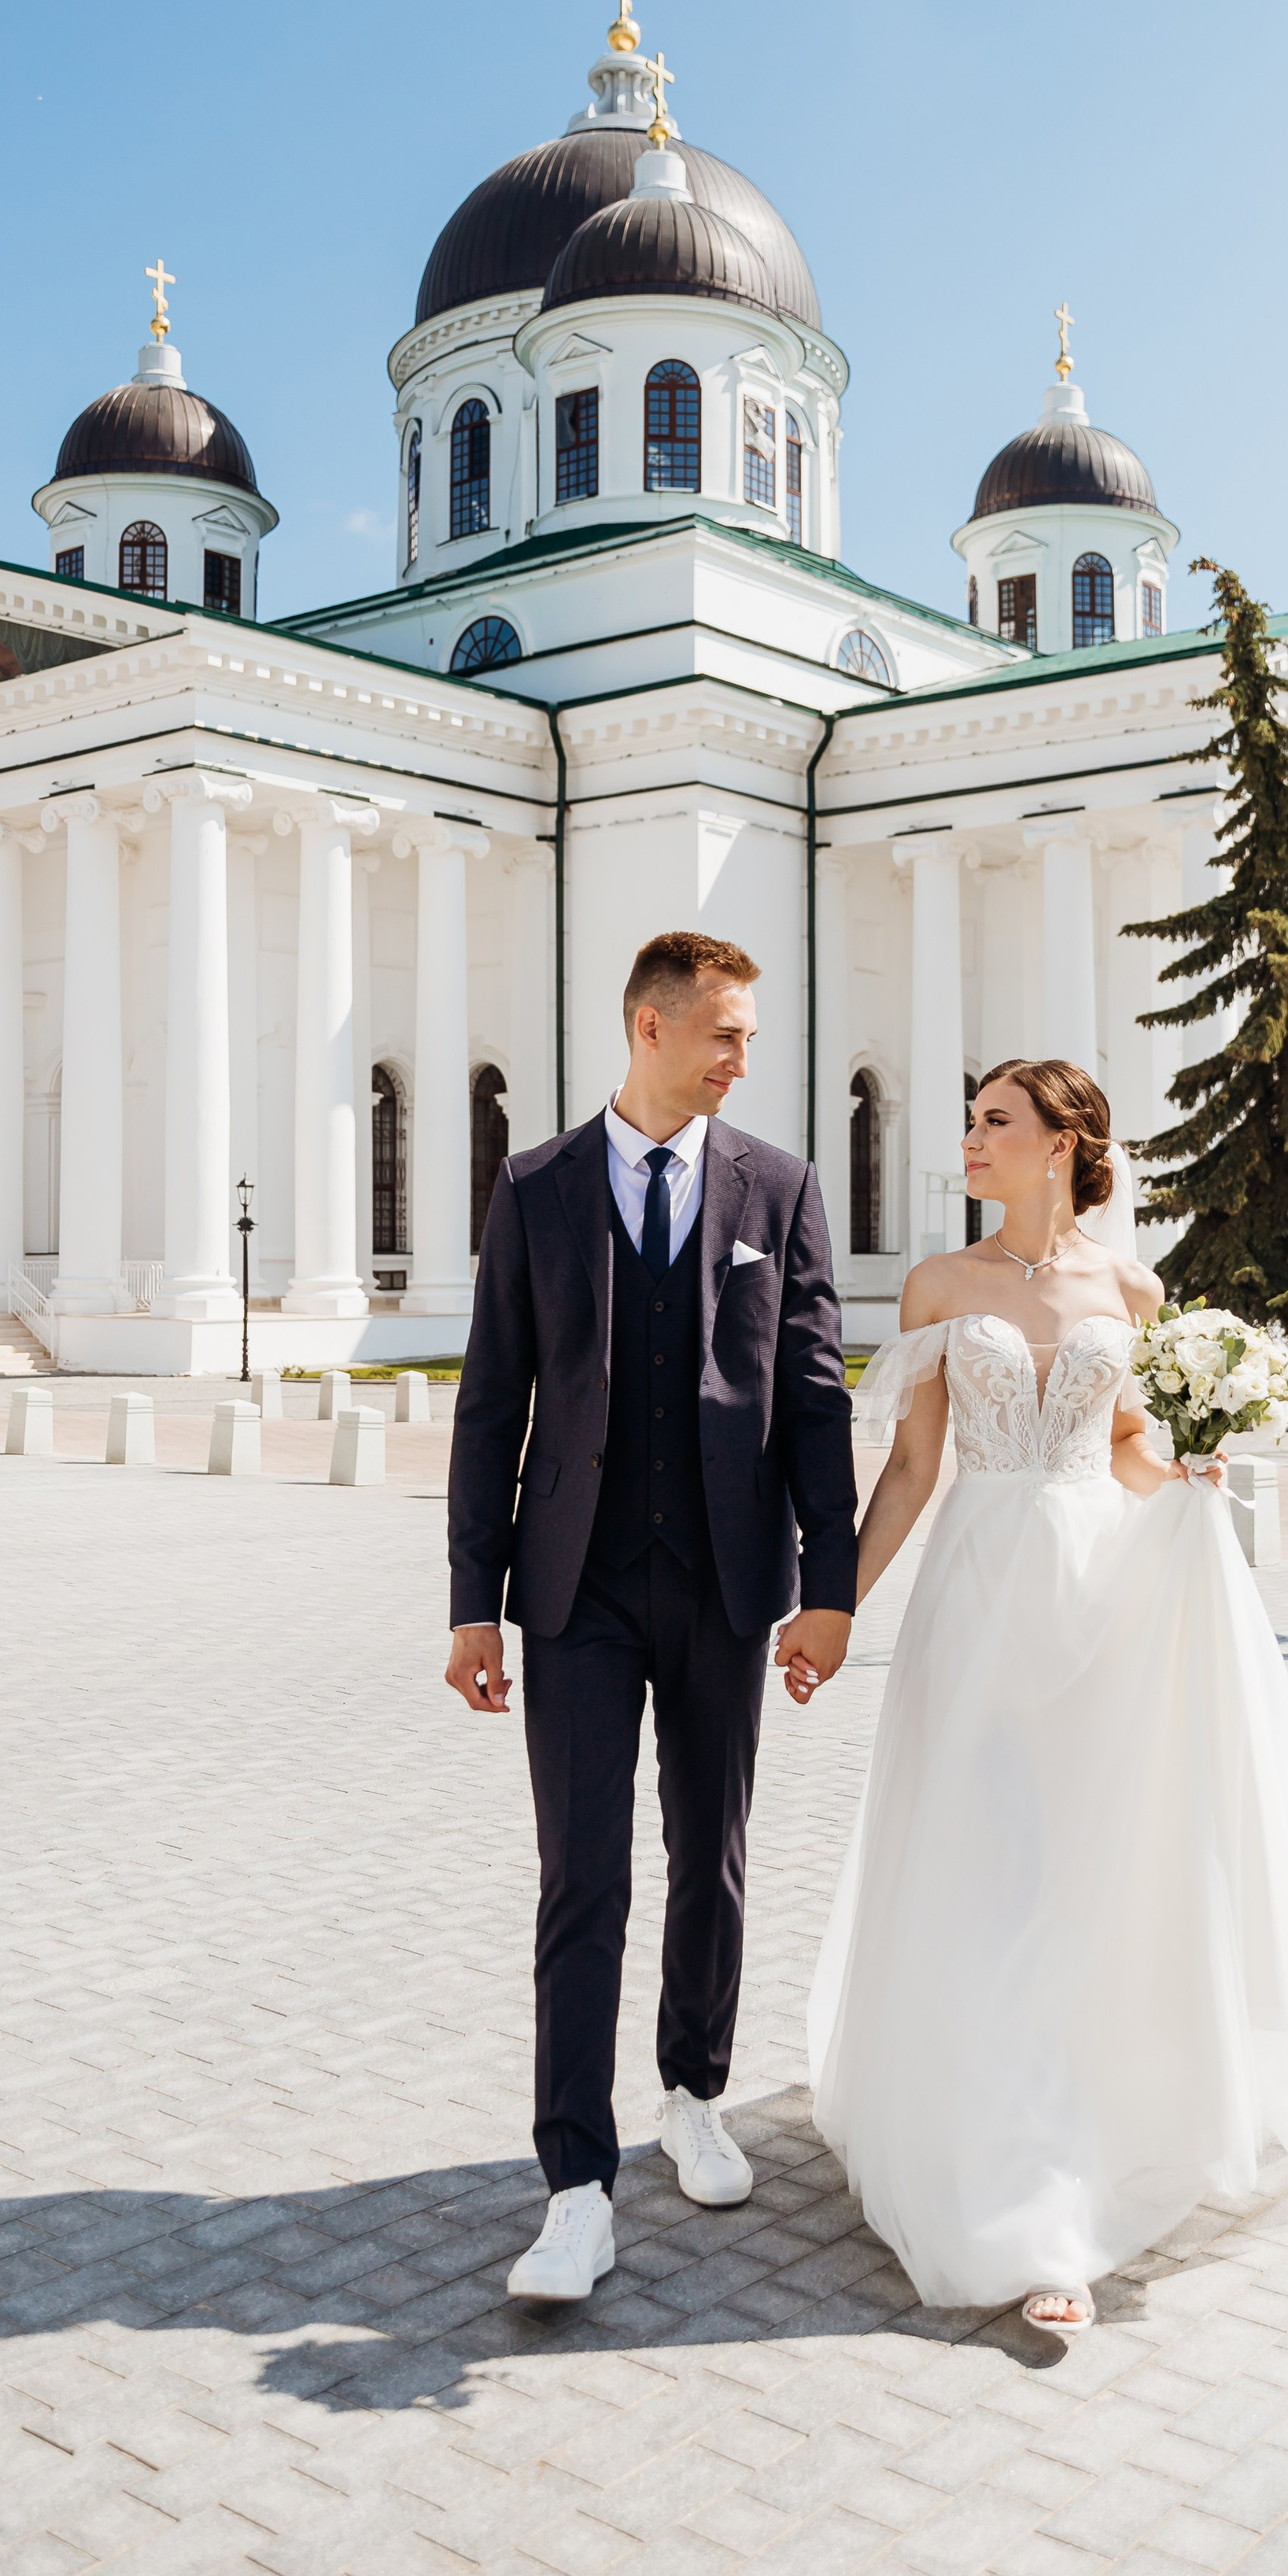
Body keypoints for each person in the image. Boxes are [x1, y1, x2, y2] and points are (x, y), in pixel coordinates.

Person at [810, 1059, 1288, 2340]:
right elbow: (912, 1468)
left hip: (1099, 1605)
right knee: (988, 1871)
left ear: (1063, 1144)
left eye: (996, 1121)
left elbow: (1123, 1448)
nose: (970, 1139)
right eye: (971, 1120)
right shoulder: (940, 1285)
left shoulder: (1132, 1288)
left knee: (1074, 1882)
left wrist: (1188, 1472)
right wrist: (830, 1606)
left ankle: (1068, 2165)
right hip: (977, 1602)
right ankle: (1018, 2194)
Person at [446, 930, 859, 2302]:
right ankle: (575, 2184)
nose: (744, 1058)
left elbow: (814, 1397)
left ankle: (694, 2091)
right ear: (651, 1027)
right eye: (726, 1034)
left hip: (728, 1583)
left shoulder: (778, 1188)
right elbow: (491, 1404)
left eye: (748, 1037)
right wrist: (472, 1605)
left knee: (711, 1856)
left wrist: (831, 1588)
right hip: (576, 1588)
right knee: (584, 1876)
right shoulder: (538, 1187)